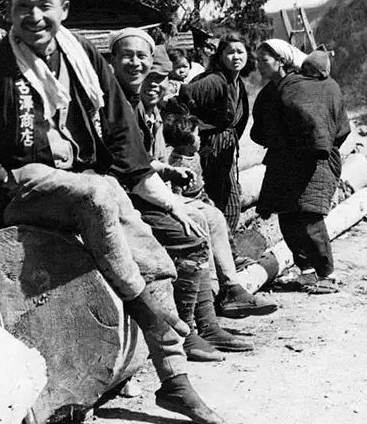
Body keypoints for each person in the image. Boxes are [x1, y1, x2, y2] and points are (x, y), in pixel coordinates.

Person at [0, 0, 222, 424]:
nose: (34, 16)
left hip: (85, 186)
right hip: (22, 192)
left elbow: (121, 129)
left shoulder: (83, 56)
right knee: (99, 192)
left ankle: (174, 378)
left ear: (64, 10)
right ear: (10, 12)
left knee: (143, 241)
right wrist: (0, 176)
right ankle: (148, 313)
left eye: (44, 6)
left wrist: (145, 185)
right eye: (23, 7)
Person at [110, 29, 253, 360]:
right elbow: (129, 166)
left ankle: (214, 315)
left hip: (145, 190)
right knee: (193, 231)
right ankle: (188, 331)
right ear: (114, 61)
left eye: (160, 78)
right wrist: (170, 194)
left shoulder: (148, 110)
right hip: (128, 198)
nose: (155, 85)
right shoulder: (119, 105)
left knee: (211, 216)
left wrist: (167, 172)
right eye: (150, 79)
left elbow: (143, 161)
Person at [251, 42, 350, 294]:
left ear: (281, 60)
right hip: (283, 162)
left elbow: (332, 125)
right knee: (287, 217)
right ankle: (306, 271)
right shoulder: (271, 92)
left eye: (264, 60)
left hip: (314, 162)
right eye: (257, 60)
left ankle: (327, 275)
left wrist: (315, 146)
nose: (258, 65)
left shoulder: (311, 86)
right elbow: (259, 130)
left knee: (309, 217)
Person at [164, 111, 278, 319]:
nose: (200, 138)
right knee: (210, 222)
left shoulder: (194, 155)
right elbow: (176, 192)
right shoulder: (178, 163)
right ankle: (218, 291)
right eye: (197, 135)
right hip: (183, 203)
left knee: (219, 220)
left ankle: (230, 268)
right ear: (188, 141)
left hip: (200, 198)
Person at [171, 34, 251, 237]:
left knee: (229, 198)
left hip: (225, 149)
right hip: (209, 148)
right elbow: (183, 99)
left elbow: (239, 120)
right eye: (230, 52)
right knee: (218, 197)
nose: (236, 57)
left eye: (240, 52)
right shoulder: (214, 81)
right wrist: (191, 136)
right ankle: (218, 244)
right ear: (221, 56)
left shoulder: (237, 83)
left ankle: (225, 243)